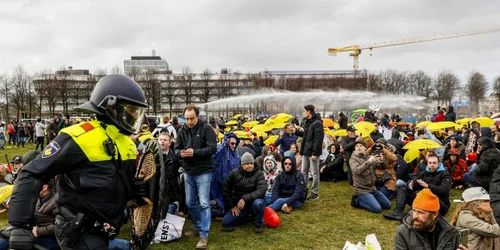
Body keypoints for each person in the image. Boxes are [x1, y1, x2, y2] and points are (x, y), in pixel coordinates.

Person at [7, 74, 148, 250]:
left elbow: (114, 182)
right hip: (77, 231)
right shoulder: (78, 136)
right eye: (131, 109)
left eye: (137, 111)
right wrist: (20, 225)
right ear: (111, 107)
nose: (134, 115)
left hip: (106, 228)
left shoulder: (127, 143)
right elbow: (31, 173)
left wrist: (135, 190)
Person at [174, 105, 217, 250]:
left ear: (197, 116)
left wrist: (195, 152)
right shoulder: (182, 130)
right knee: (190, 202)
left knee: (204, 203)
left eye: (192, 118)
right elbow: (176, 149)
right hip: (189, 171)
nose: (189, 121)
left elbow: (212, 148)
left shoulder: (207, 129)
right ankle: (198, 226)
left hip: (204, 171)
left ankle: (204, 235)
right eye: (186, 119)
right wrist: (181, 154)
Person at [384, 155, 452, 220]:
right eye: (430, 163)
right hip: (423, 199)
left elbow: (444, 190)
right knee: (403, 189)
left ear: (439, 164)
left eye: (434, 163)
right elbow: (415, 181)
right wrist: (410, 184)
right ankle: (397, 212)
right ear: (427, 163)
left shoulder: (445, 174)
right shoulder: (423, 173)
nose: (432, 165)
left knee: (426, 194)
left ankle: (414, 214)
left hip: (440, 202)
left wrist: (428, 186)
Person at [394, 188, 461, 250]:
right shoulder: (403, 232)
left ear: (435, 214)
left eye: (421, 212)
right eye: (414, 210)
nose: (415, 216)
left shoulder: (450, 233)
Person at [0, 179, 58, 250]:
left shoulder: (56, 202)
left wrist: (38, 231)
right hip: (35, 232)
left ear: (44, 187)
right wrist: (14, 206)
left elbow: (59, 226)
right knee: (10, 235)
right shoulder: (38, 198)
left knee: (17, 240)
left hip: (50, 238)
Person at [221, 152, 266, 234]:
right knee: (225, 222)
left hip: (254, 203)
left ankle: (258, 224)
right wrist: (232, 206)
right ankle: (250, 218)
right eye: (247, 163)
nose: (250, 166)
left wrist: (244, 199)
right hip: (240, 206)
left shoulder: (259, 174)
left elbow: (262, 190)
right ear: (242, 164)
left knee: (259, 203)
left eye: (251, 163)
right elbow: (226, 188)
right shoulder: (234, 173)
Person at [291, 105, 324, 200]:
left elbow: (318, 139)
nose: (303, 113)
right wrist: (295, 131)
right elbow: (306, 135)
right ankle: (304, 189)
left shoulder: (317, 123)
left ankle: (315, 192)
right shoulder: (308, 122)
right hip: (305, 151)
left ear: (309, 112)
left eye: (304, 111)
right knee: (304, 171)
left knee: (314, 173)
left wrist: (314, 153)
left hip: (312, 152)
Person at [350, 139, 391, 213]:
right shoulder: (353, 159)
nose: (358, 148)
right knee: (377, 209)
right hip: (361, 190)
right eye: (356, 146)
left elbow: (383, 167)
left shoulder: (370, 156)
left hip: (373, 188)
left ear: (365, 148)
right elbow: (357, 171)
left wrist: (382, 160)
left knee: (388, 205)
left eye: (361, 146)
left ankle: (371, 198)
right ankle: (357, 201)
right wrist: (369, 162)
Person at [212, 133, 240, 212]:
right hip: (219, 179)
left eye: (235, 143)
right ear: (227, 142)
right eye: (232, 143)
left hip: (230, 181)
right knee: (219, 197)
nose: (234, 145)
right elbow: (216, 158)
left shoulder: (235, 153)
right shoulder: (221, 148)